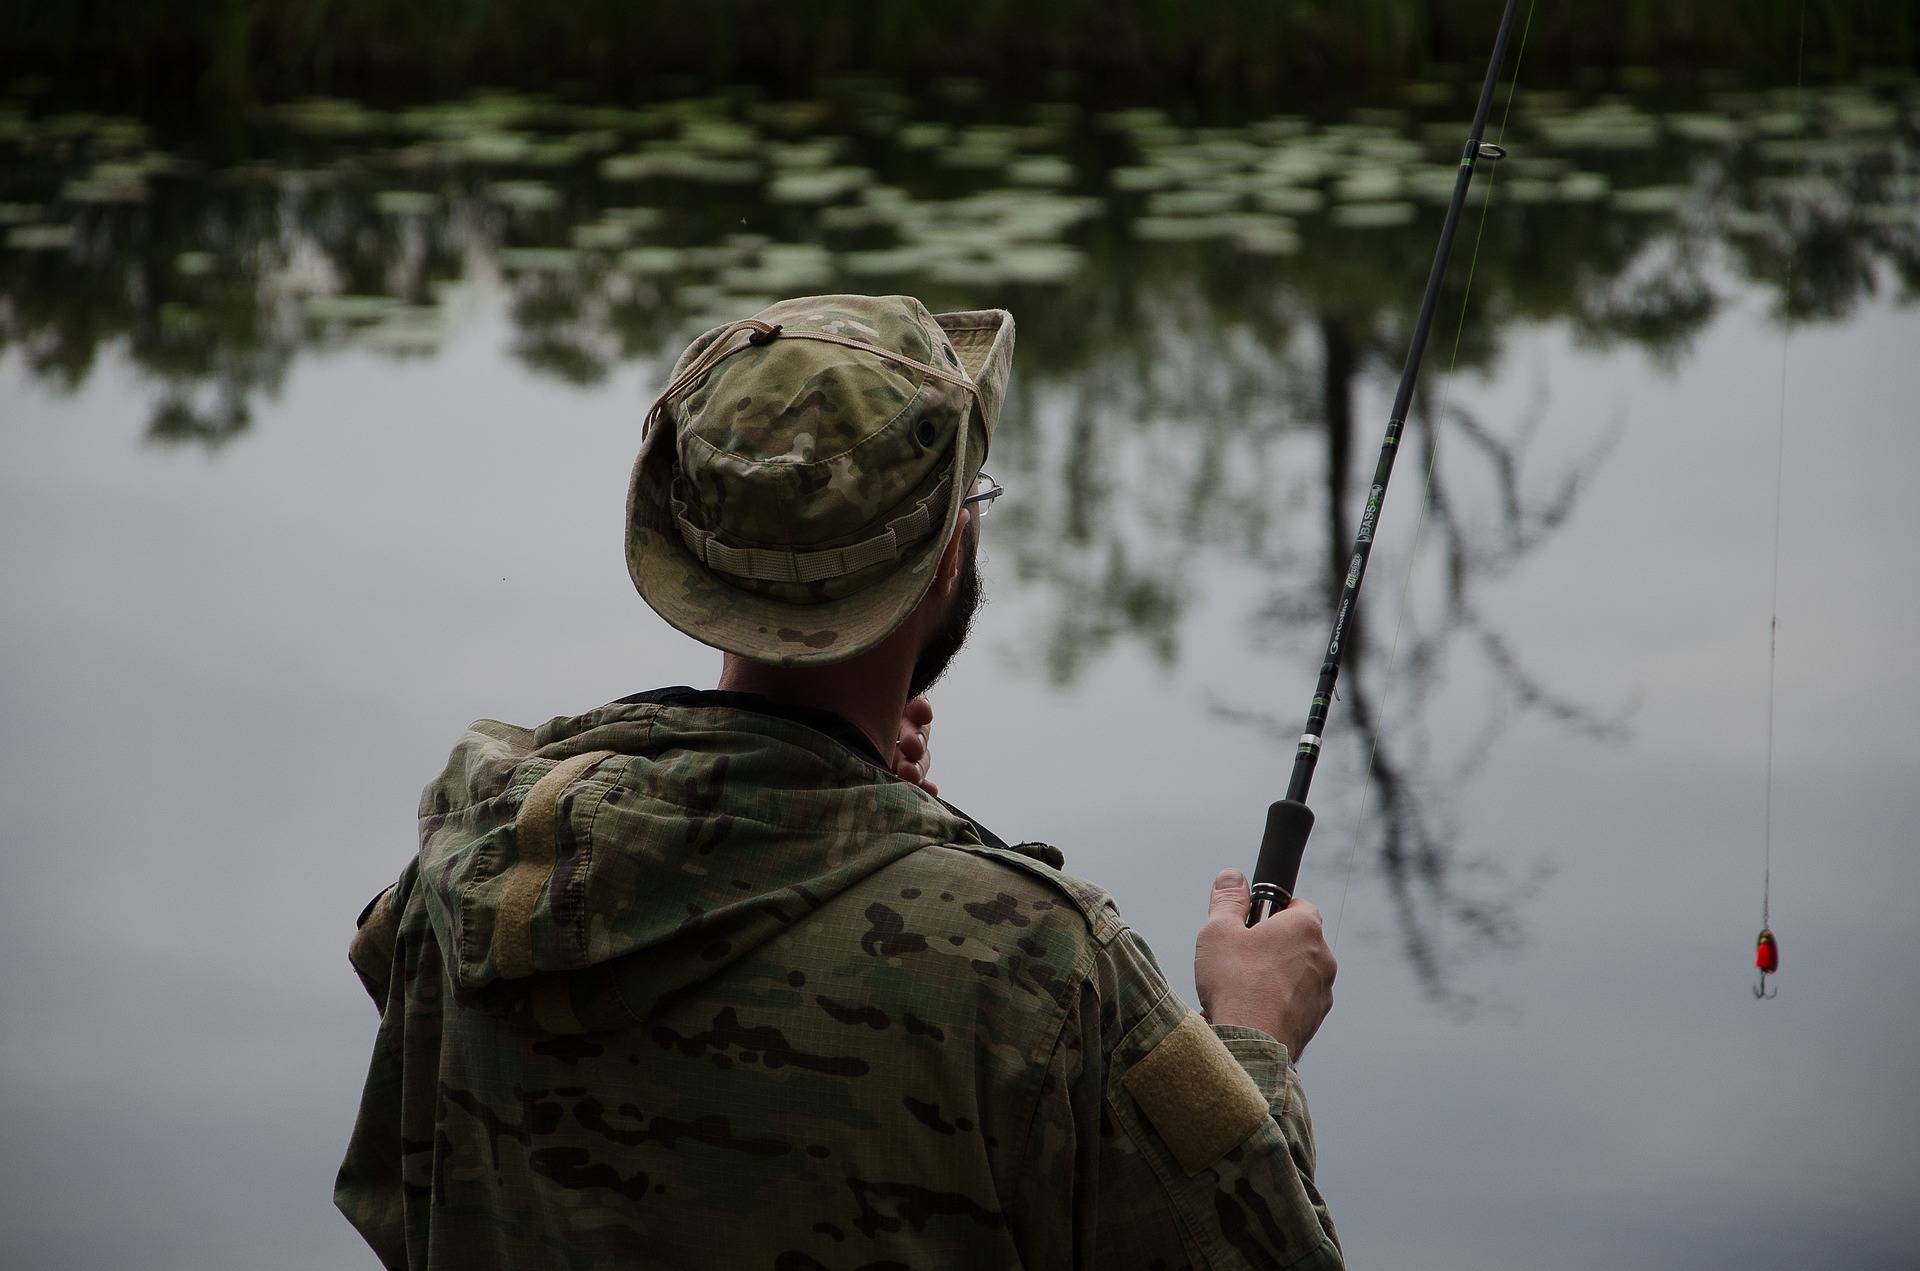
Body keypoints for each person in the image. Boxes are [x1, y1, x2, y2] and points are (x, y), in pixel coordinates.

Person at [336, 294, 1342, 1269]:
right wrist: (1254, 1035)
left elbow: (397, 1206)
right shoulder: (1043, 969)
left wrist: (867, 806)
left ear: (694, 561)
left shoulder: (467, 879)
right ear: (949, 553)